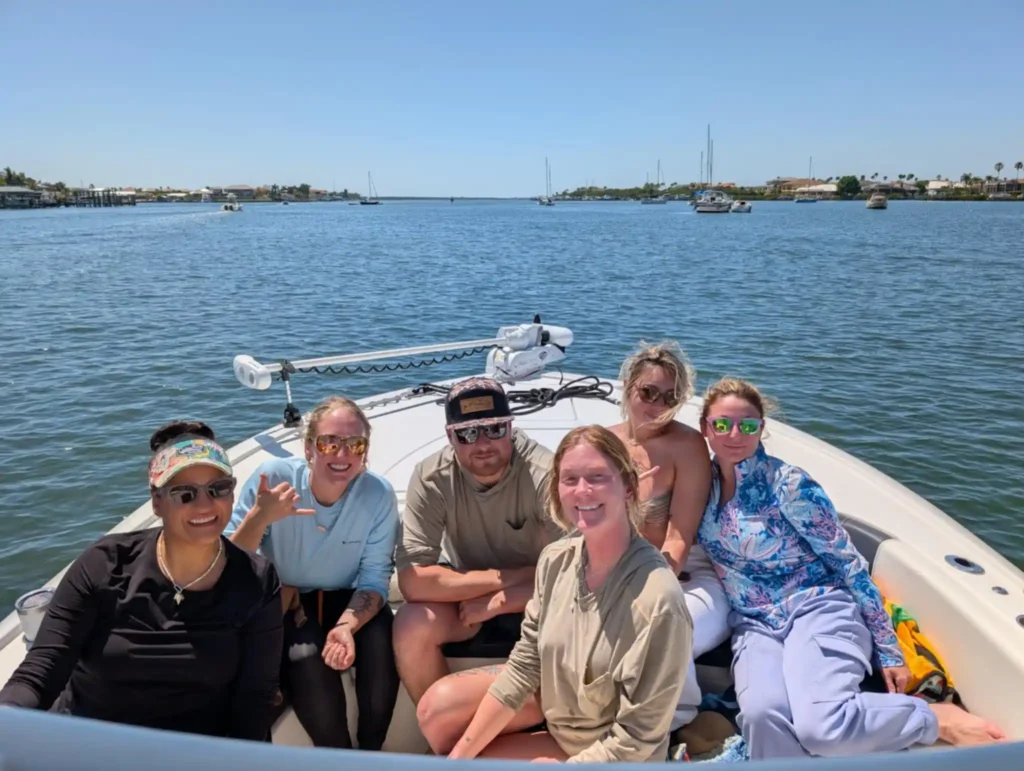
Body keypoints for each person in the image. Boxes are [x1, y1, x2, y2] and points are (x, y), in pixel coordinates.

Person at [695, 377, 1007, 759]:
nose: (734, 435)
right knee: (762, 716)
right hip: (754, 623)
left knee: (820, 728)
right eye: (722, 424)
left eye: (748, 425)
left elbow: (850, 564)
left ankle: (933, 718)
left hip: (816, 606)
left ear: (762, 428)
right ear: (705, 428)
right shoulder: (700, 485)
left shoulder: (790, 486)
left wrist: (888, 648)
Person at [419, 425, 693, 762]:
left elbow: (637, 738)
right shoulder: (554, 561)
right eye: (570, 479)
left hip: (621, 757)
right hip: (562, 737)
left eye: (597, 477)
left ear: (628, 487)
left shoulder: (658, 599)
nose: (583, 491)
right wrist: (459, 758)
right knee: (450, 736)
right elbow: (524, 668)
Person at [0, 421, 283, 740]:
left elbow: (256, 695)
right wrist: (9, 716)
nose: (204, 504)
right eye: (184, 493)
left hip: (195, 750)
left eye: (218, 488)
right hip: (91, 741)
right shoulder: (104, 564)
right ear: (157, 501)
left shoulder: (257, 578)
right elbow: (44, 668)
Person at [227, 395, 399, 750]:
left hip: (350, 597)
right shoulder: (274, 481)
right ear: (309, 448)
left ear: (364, 451)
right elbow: (228, 564)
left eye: (355, 444)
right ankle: (339, 759)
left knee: (381, 647)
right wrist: (260, 518)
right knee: (305, 660)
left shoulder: (377, 494)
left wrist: (347, 626)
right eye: (329, 443)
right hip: (290, 598)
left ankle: (372, 753)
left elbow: (374, 577)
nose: (341, 454)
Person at [392, 377, 557, 705]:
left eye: (494, 429)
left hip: (542, 599)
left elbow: (578, 572)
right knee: (411, 625)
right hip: (470, 599)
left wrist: (504, 600)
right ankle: (446, 739)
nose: (482, 444)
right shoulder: (431, 478)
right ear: (450, 436)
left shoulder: (546, 473)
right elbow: (413, 582)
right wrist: (509, 579)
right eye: (467, 433)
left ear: (510, 428)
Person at [609, 341, 732, 730]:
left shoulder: (687, 446)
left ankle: (676, 726)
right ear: (627, 386)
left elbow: (679, 538)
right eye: (648, 392)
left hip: (688, 575)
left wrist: (646, 588)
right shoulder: (602, 442)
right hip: (616, 571)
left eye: (670, 396)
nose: (658, 404)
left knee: (662, 628)